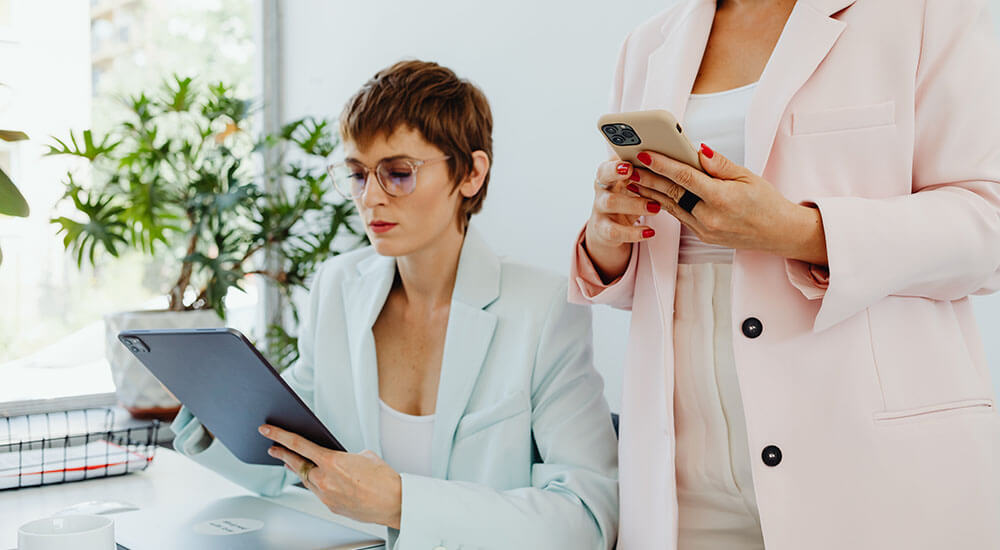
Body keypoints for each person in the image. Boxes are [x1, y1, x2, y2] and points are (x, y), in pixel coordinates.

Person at [571, 0, 1000, 548]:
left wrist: (799, 231)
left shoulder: (923, 12)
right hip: (681, 473)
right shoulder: (648, 42)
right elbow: (659, 264)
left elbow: (986, 223)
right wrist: (608, 237)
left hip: (864, 459)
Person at [172, 60, 618, 550]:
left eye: (398, 173)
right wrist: (211, 404)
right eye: (359, 175)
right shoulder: (338, 287)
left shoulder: (543, 307)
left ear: (471, 173)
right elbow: (293, 468)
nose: (371, 198)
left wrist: (401, 502)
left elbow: (586, 518)